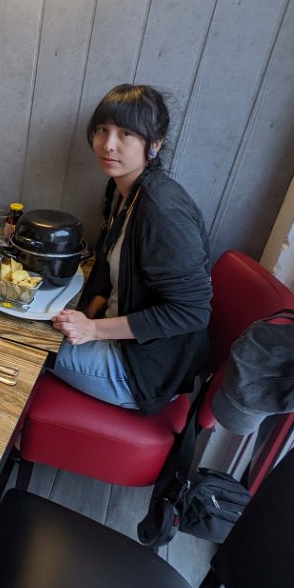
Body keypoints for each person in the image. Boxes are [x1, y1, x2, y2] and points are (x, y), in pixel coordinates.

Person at [50, 84, 212, 414]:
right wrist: (93, 306)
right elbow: (118, 273)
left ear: (154, 145)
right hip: (121, 342)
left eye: (126, 133)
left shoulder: (163, 212)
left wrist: (93, 329)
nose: (108, 144)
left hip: (140, 371)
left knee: (13, 342)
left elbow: (193, 312)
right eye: (102, 130)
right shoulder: (126, 190)